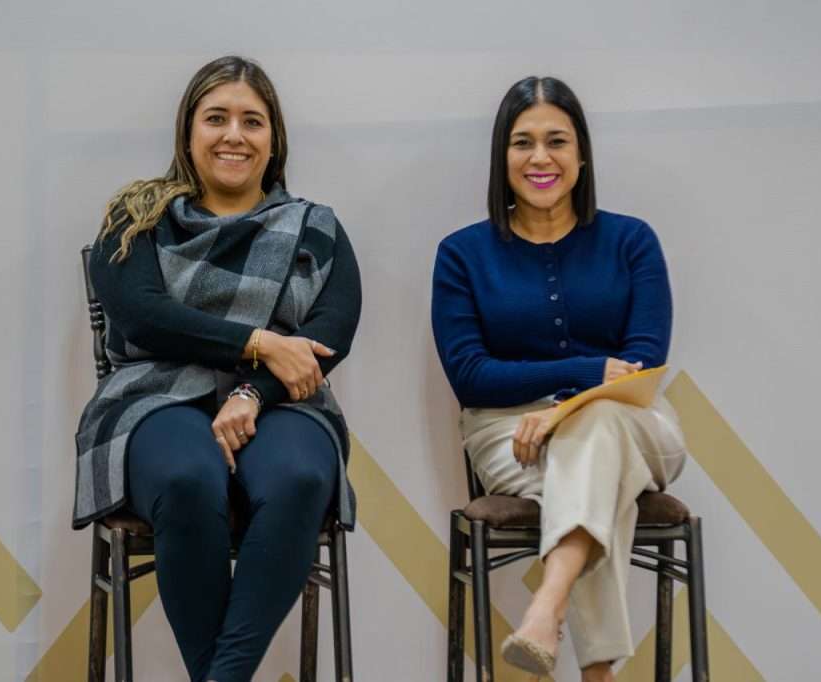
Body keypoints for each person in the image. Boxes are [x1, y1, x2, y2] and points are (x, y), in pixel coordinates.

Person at [71, 56, 362, 682]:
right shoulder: (136, 217)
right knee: (186, 479)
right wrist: (260, 343)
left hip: (282, 400)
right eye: (216, 118)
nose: (234, 135)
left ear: (274, 139)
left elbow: (328, 336)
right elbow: (144, 318)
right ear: (188, 131)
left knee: (299, 480)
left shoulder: (315, 227)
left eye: (252, 121)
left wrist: (252, 391)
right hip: (153, 396)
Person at [431, 76, 687, 681]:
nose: (540, 158)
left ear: (582, 154)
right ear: (502, 156)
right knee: (598, 480)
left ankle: (547, 604)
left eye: (557, 141)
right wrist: (585, 370)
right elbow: (471, 377)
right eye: (523, 142)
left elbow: (644, 364)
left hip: (634, 422)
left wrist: (564, 409)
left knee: (596, 433)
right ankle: (595, 671)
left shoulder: (632, 241)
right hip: (509, 434)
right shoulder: (462, 254)